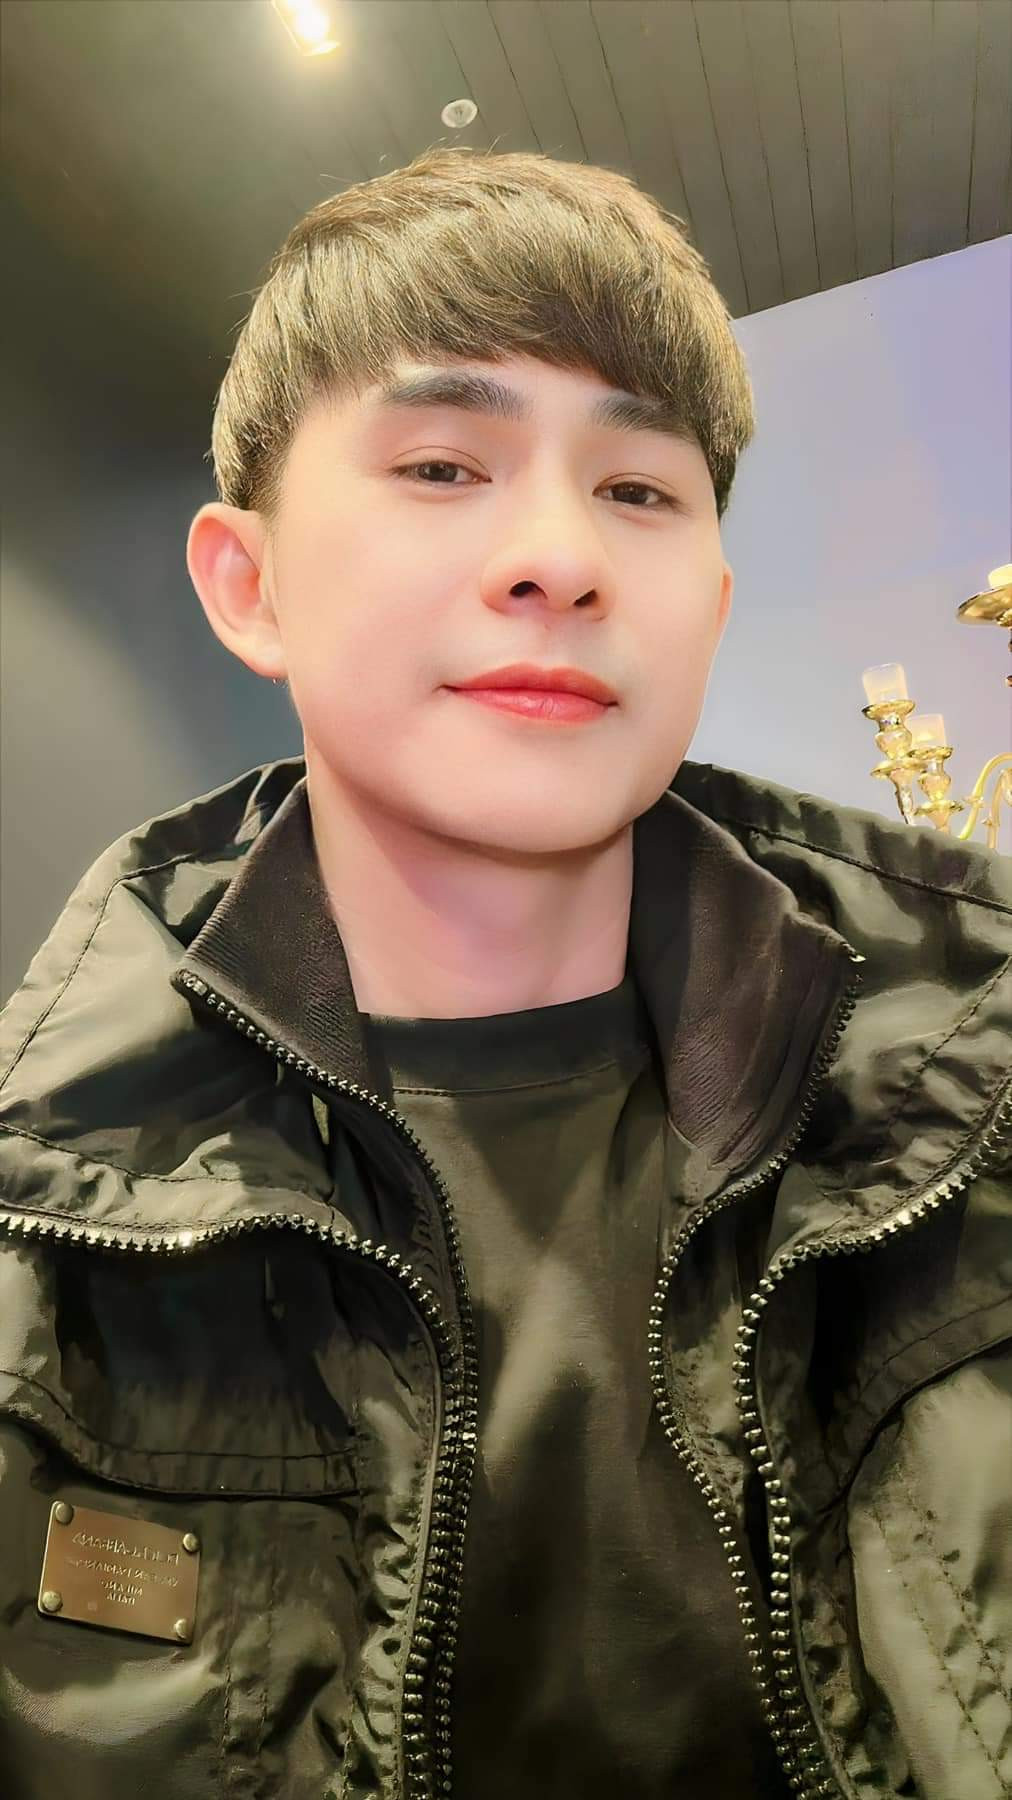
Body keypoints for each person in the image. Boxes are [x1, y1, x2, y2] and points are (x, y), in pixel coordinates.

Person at [0, 146, 1008, 1800]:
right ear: (249, 585)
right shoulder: (45, 1215)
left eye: (639, 491)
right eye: (442, 464)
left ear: (710, 606)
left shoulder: (978, 1085)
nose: (560, 556)